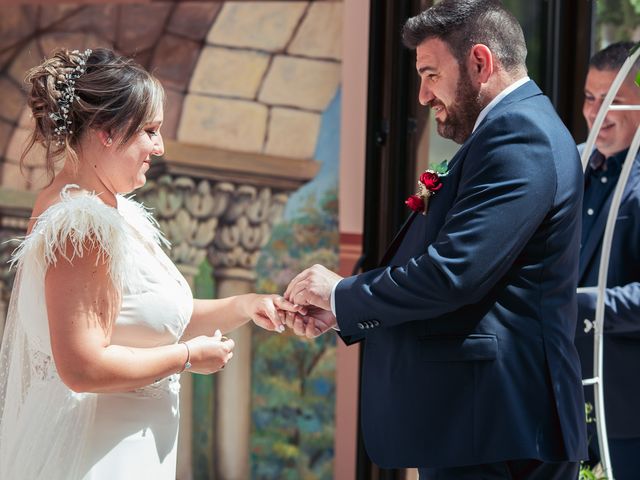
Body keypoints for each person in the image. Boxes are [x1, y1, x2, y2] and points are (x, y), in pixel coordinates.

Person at [284, 0, 588, 478]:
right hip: (483, 424)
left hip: (498, 425)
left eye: (430, 74)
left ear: (480, 63)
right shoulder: (508, 132)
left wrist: (342, 293)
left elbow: (453, 271)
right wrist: (344, 310)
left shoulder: (520, 135)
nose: (423, 96)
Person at [0, 48, 303, 479]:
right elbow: (82, 367)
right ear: (108, 130)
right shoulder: (81, 225)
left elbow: (153, 316)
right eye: (150, 130)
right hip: (98, 458)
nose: (158, 148)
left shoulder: (115, 211)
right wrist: (185, 358)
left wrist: (244, 306)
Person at [574, 41, 640, 480]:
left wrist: (581, 303)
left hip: (628, 408)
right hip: (560, 398)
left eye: (614, 100)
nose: (597, 112)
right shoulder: (567, 163)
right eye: (590, 97)